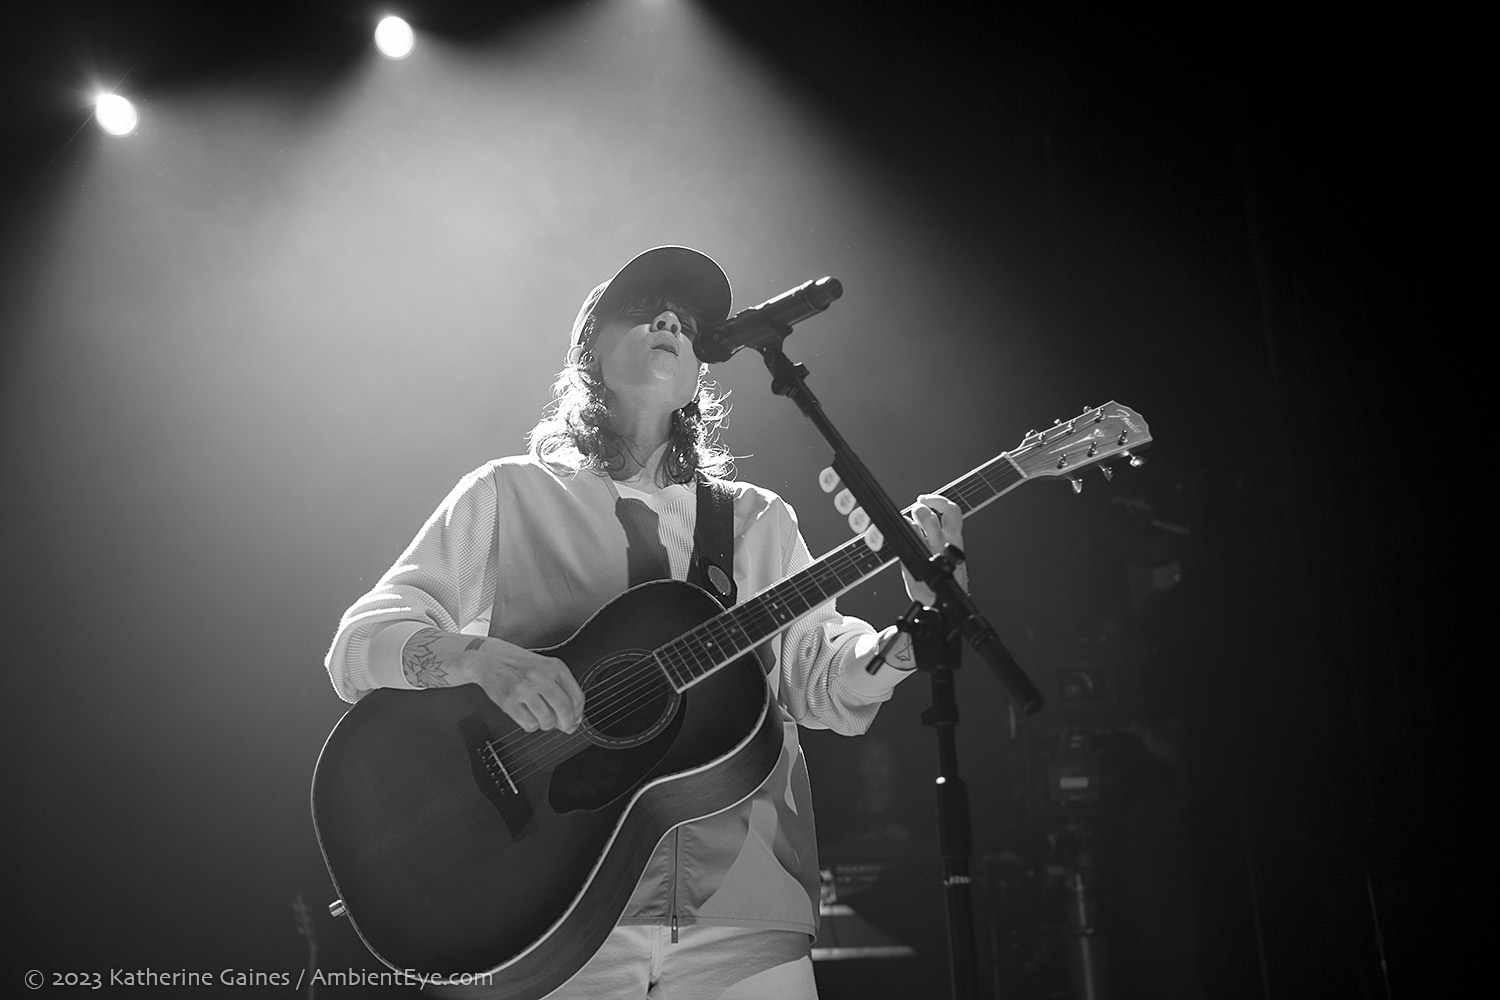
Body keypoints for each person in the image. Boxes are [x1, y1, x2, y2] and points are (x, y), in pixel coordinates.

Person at [323, 245, 967, 999]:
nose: (672, 320)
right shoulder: (506, 496)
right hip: (553, 911)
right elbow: (361, 645)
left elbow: (820, 681)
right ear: (589, 349)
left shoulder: (756, 520)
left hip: (744, 910)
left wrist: (898, 643)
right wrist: (480, 659)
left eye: (691, 322)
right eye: (647, 308)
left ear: (702, 371)